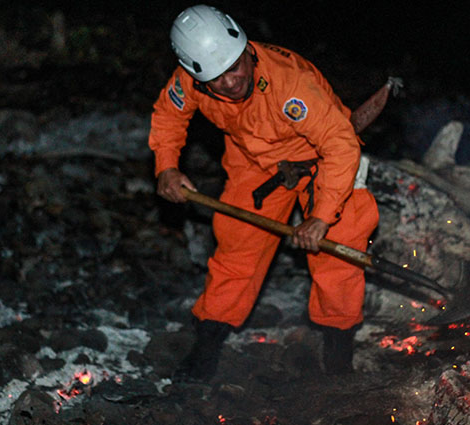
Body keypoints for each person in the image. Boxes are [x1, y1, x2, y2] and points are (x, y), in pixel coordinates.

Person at [148, 4, 380, 382]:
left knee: (340, 246)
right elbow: (169, 116)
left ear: (245, 49)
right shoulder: (189, 79)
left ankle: (339, 357)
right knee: (237, 248)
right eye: (217, 78)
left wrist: (320, 217)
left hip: (320, 159)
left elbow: (340, 146)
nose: (231, 82)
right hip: (254, 160)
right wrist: (167, 166)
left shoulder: (290, 84)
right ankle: (206, 347)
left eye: (235, 67)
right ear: (198, 76)